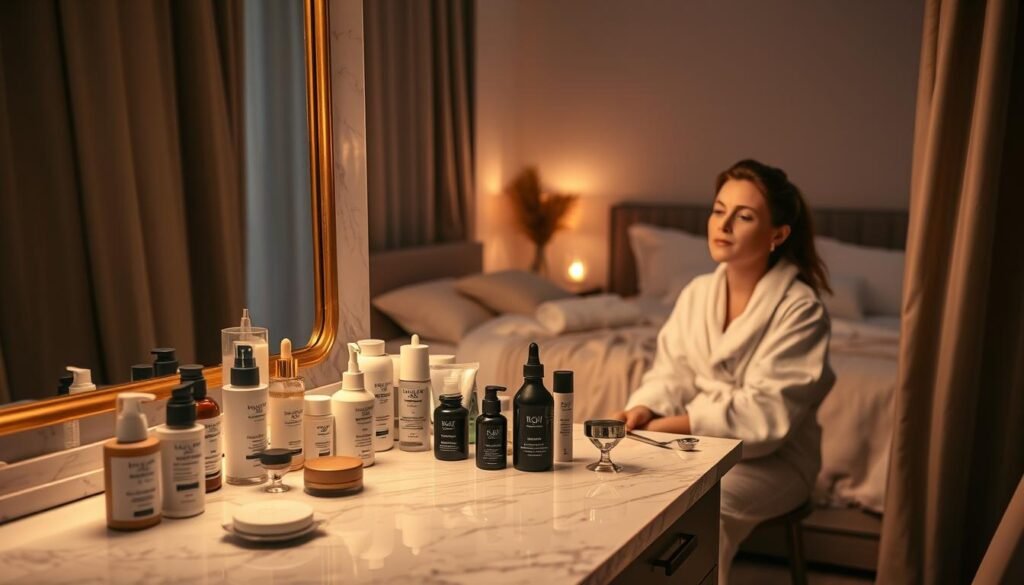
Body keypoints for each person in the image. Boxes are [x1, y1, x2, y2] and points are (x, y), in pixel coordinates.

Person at [613, 159, 835, 584]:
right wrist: (643, 409)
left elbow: (765, 416)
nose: (724, 224)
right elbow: (671, 372)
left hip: (775, 460)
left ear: (778, 235)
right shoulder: (697, 293)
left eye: (744, 215)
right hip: (693, 442)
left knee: (702, 508)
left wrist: (669, 425)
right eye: (719, 210)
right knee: (630, 491)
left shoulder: (800, 309)